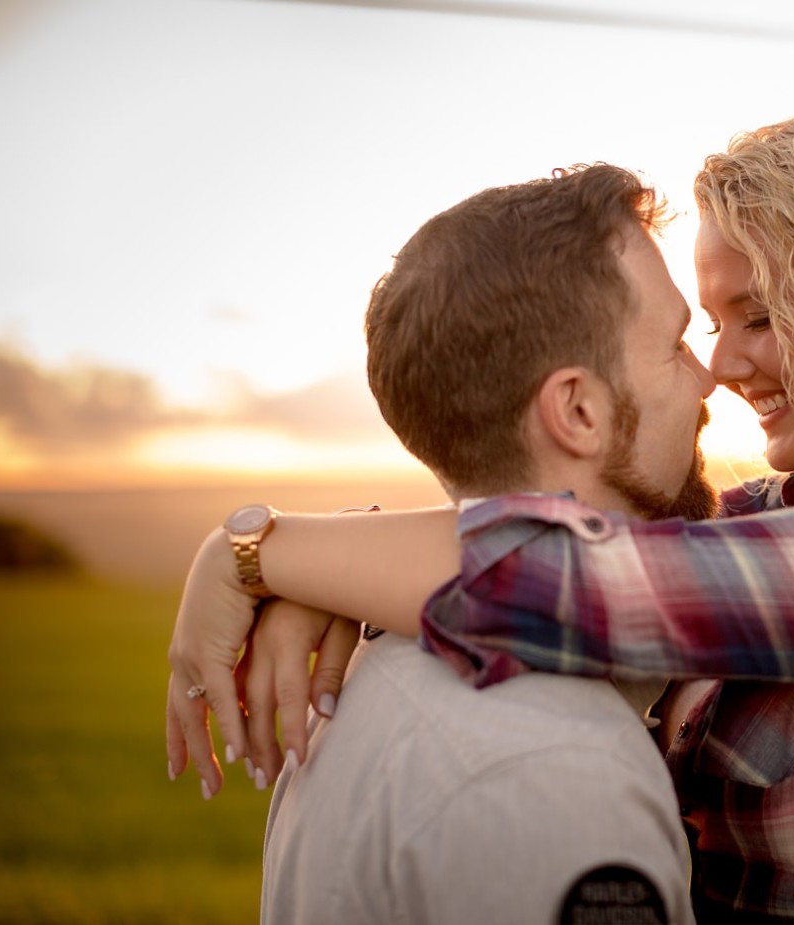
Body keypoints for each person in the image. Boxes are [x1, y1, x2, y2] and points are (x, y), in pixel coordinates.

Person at [166, 106, 794, 923]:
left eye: (761, 316)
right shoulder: (769, 518)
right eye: (707, 324)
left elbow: (569, 576)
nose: (722, 364)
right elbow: (559, 535)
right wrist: (309, 579)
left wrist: (256, 551)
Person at [243, 165, 706, 923]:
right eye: (678, 345)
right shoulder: (560, 771)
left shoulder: (371, 664)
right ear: (578, 411)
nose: (708, 379)